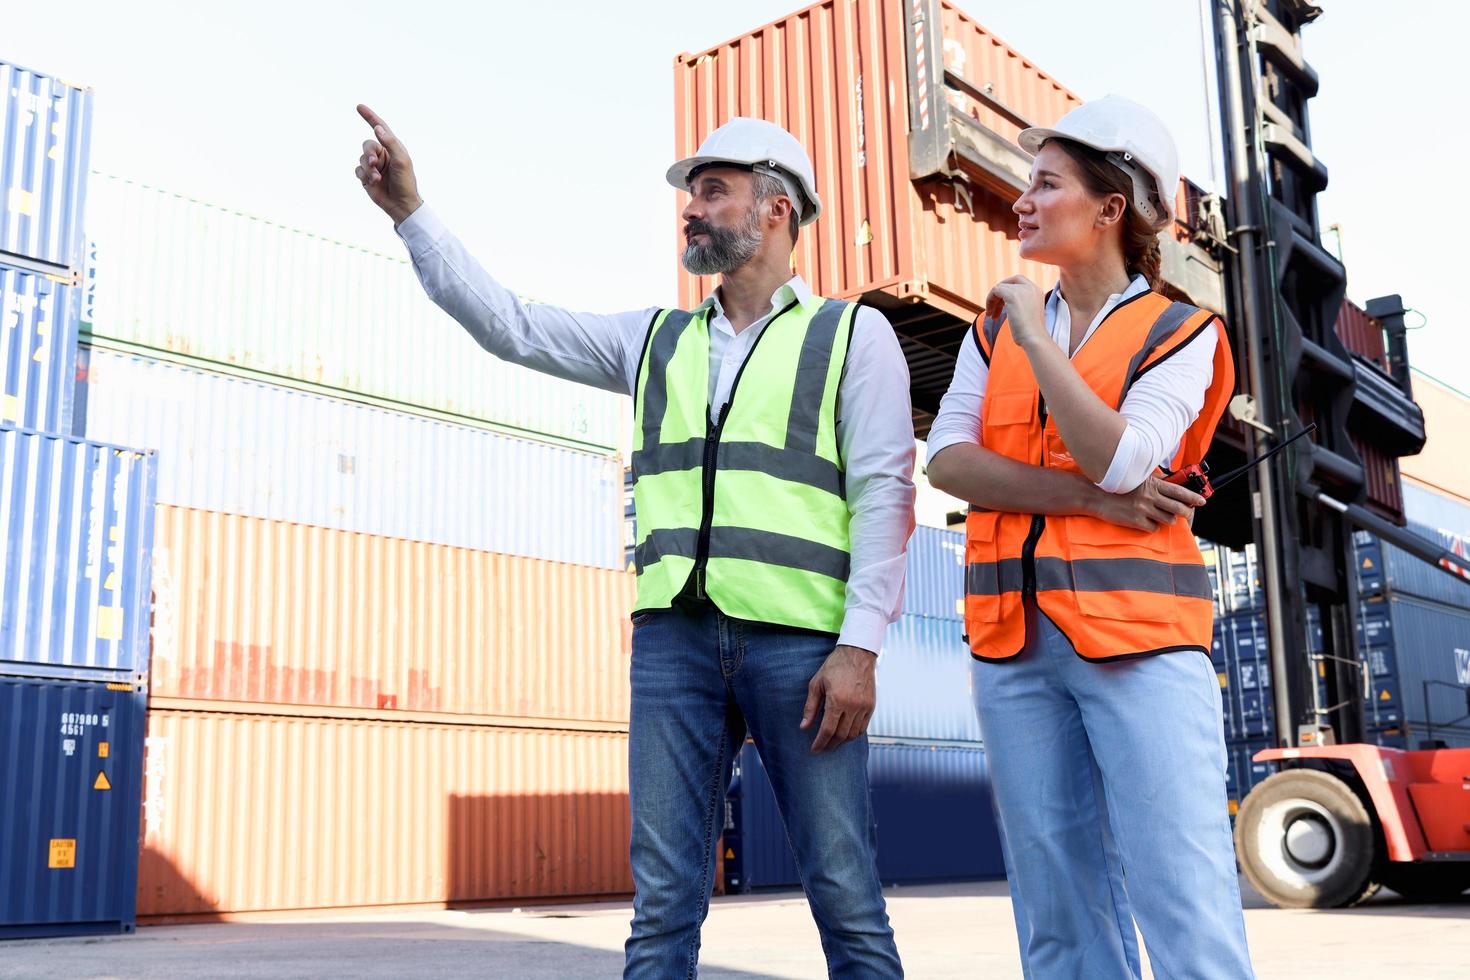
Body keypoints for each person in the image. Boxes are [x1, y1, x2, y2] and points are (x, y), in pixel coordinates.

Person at [353, 106, 912, 979]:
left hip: (803, 654)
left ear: (777, 210)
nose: (691, 208)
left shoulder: (850, 336)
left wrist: (860, 648)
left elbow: (885, 494)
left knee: (845, 895)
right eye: (690, 193)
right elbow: (512, 326)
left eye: (713, 190)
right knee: (661, 909)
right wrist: (410, 215)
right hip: (673, 645)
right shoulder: (653, 339)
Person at [926, 95, 1257, 979]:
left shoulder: (1181, 332)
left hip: (1141, 648)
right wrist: (1088, 500)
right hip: (1015, 650)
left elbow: (1124, 461)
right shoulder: (990, 329)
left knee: (1182, 901)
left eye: (1044, 183)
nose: (1021, 201)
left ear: (1112, 208)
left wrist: (1039, 341)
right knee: (1059, 913)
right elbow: (948, 462)